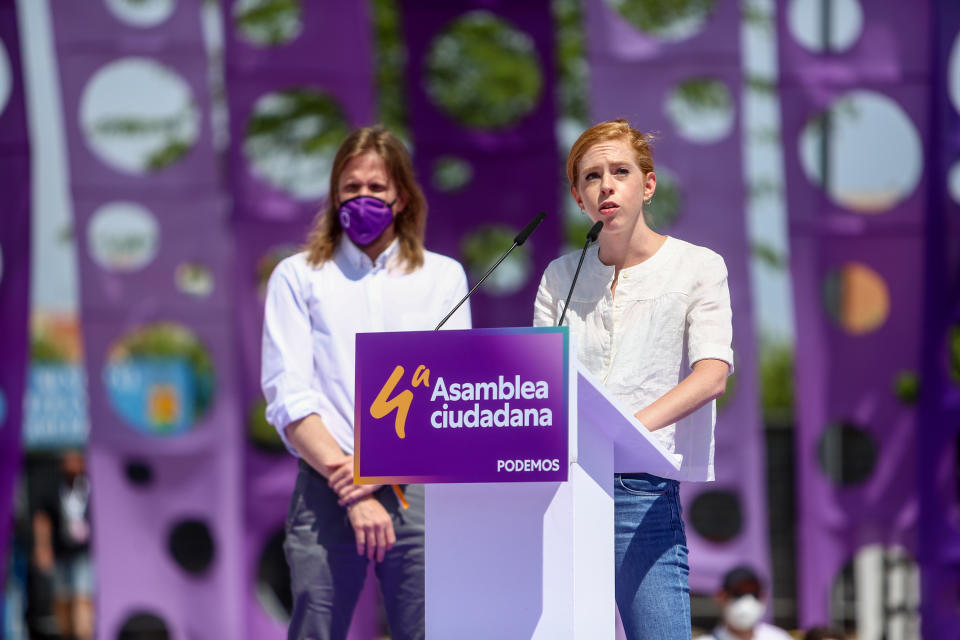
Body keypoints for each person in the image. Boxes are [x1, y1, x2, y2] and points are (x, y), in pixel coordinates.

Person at [261, 125, 471, 640]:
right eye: (351, 188)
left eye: (376, 188)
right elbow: (289, 396)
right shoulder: (297, 276)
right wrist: (353, 488)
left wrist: (381, 474)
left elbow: (451, 398)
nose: (363, 198)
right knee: (315, 629)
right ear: (335, 196)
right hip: (324, 484)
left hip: (415, 489)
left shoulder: (443, 278)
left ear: (401, 195)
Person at [533, 119, 734, 639]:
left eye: (620, 171)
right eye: (591, 176)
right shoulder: (560, 277)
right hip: (560, 485)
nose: (606, 185)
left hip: (639, 491)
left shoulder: (697, 267)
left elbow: (712, 374)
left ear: (647, 185)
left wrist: (622, 430)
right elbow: (539, 382)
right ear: (578, 197)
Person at [31, 450, 94, 640]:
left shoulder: (92, 486)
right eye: (67, 461)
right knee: (62, 602)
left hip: (85, 553)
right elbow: (42, 518)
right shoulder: (53, 487)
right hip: (61, 552)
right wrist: (42, 547)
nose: (71, 465)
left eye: (75, 460)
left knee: (83, 598)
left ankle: (84, 634)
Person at [694, 565, 792, 640]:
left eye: (754, 593)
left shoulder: (780, 637)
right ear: (721, 597)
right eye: (738, 593)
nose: (747, 600)